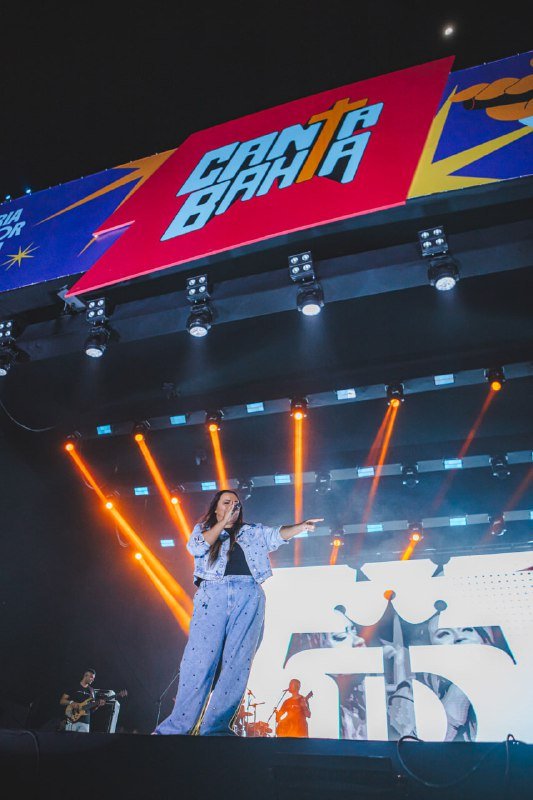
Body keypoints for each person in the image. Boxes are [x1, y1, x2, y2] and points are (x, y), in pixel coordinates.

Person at [154, 490, 322, 736]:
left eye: (237, 504)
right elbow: (196, 547)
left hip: (248, 593)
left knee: (238, 663)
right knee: (199, 662)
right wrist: (222, 523)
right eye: (227, 502)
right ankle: (176, 729)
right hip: (213, 593)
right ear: (216, 508)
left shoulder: (251, 532)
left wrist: (301, 527)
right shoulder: (204, 530)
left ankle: (215, 728)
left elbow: (276, 535)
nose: (233, 507)